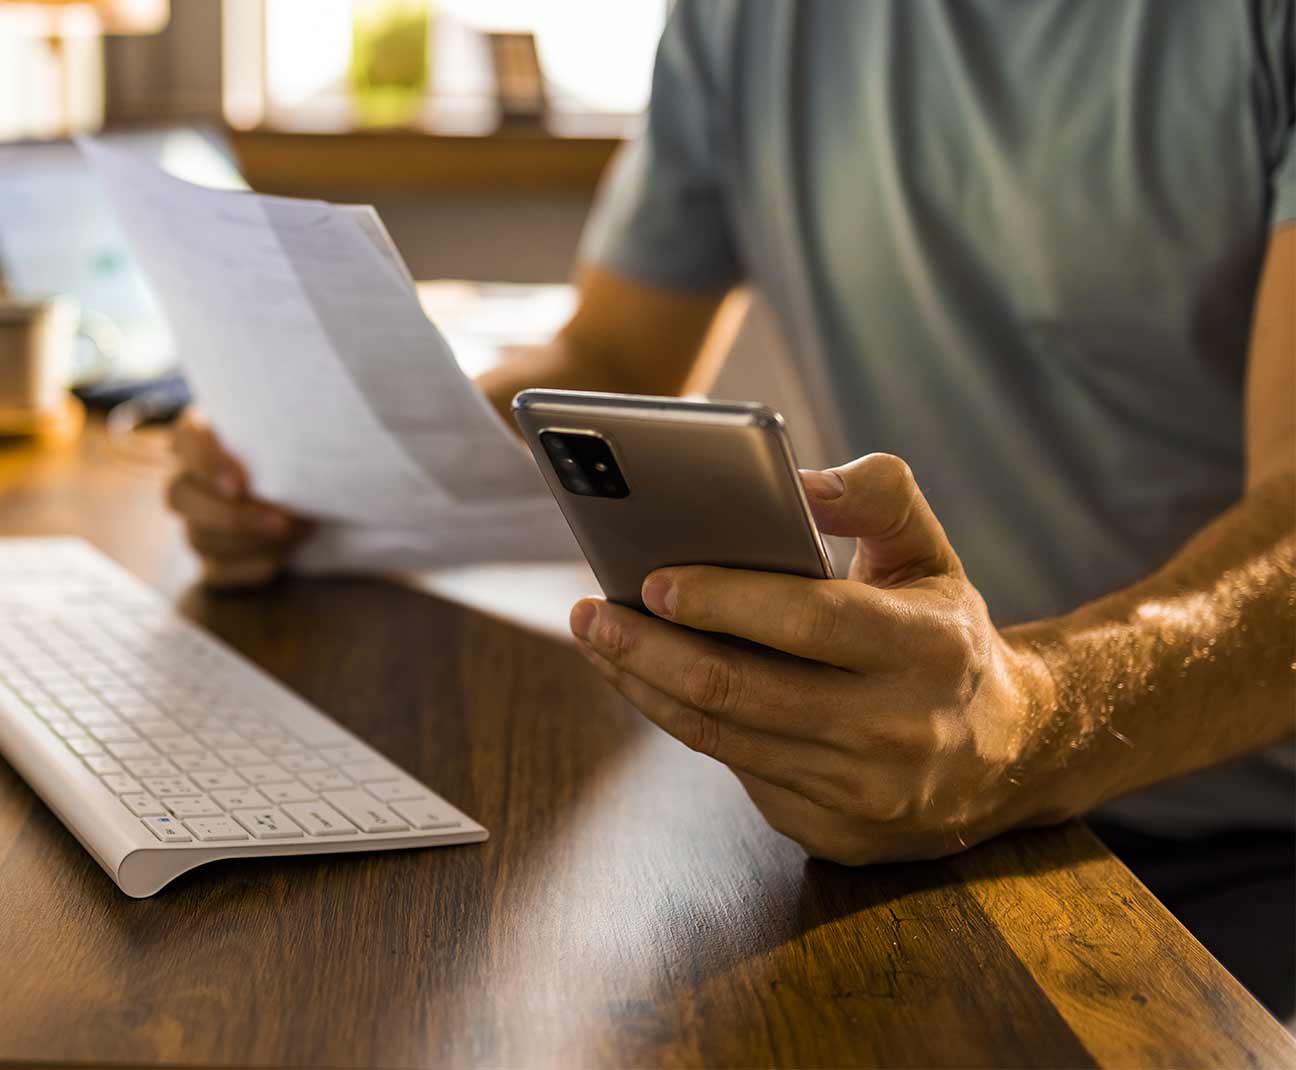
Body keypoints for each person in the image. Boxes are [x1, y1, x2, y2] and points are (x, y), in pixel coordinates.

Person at [167, 2, 1295, 1015]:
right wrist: (329, 457)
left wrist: (1027, 718)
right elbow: (610, 355)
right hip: (893, 815)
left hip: (1235, 849)